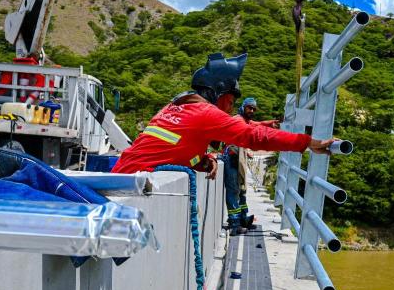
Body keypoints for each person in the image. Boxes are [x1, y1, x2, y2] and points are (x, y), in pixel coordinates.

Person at [111, 52, 333, 190]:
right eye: (231, 100)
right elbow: (254, 136)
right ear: (220, 92)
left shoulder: (174, 107)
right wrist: (309, 143)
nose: (230, 108)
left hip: (120, 178)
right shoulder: (206, 113)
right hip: (132, 188)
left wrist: (204, 161)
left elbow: (170, 149)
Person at [223, 97, 279, 232]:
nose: (252, 110)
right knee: (234, 190)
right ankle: (234, 224)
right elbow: (252, 128)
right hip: (232, 158)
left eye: (254, 109)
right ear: (243, 107)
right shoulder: (238, 120)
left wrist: (272, 123)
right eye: (250, 108)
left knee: (242, 190)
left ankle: (243, 219)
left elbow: (258, 124)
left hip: (238, 157)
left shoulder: (246, 121)